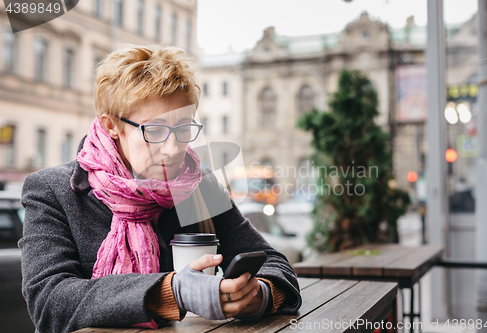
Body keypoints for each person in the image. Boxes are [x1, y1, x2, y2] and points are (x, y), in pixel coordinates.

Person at [19, 45, 301, 333]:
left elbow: (276, 265)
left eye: (182, 128)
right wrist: (170, 292)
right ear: (112, 125)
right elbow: (49, 302)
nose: (172, 149)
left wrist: (257, 296)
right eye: (154, 130)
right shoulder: (53, 191)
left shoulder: (198, 187)